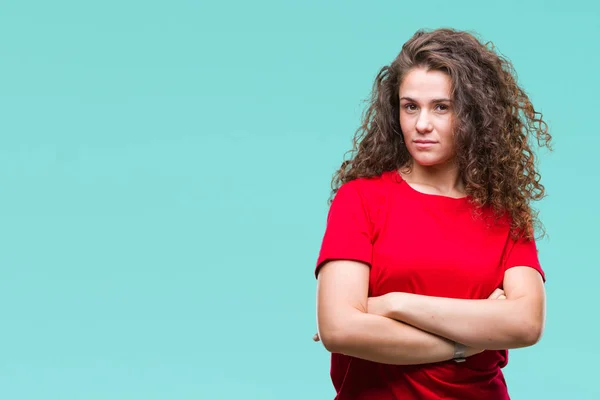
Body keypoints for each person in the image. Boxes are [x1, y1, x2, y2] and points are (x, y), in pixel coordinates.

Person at [312, 28, 552, 400]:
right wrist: (465, 344)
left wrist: (394, 304)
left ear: (474, 114)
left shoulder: (504, 213)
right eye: (411, 106)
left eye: (441, 107)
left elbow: (526, 323)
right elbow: (340, 330)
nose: (422, 124)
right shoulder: (360, 199)